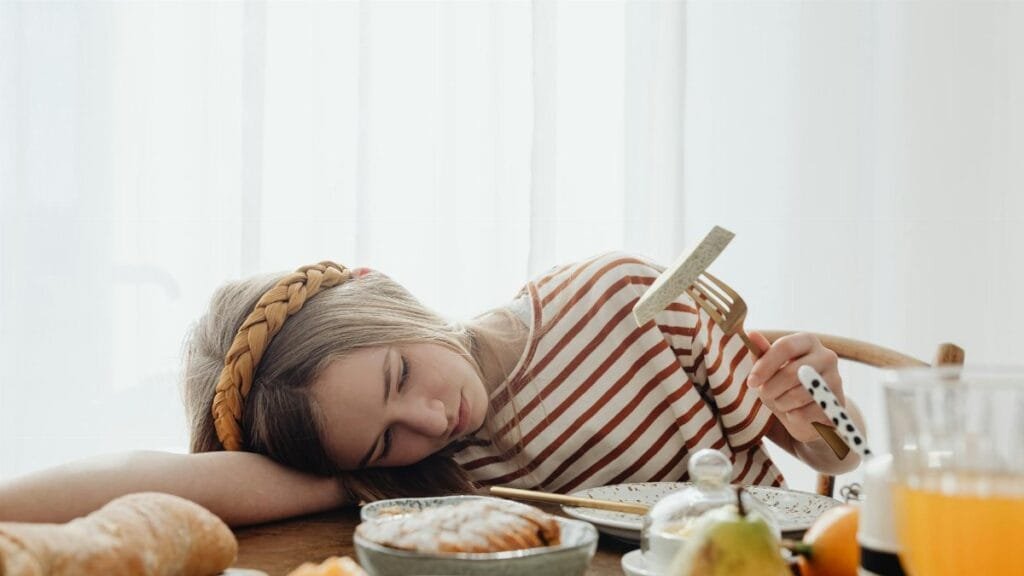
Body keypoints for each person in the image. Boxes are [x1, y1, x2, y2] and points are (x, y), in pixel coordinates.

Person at [0, 253, 864, 527]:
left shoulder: (625, 296)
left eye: (400, 374)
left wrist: (815, 408)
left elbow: (829, 456)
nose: (429, 420)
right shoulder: (416, 482)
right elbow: (154, 482)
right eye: (383, 437)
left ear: (384, 292)